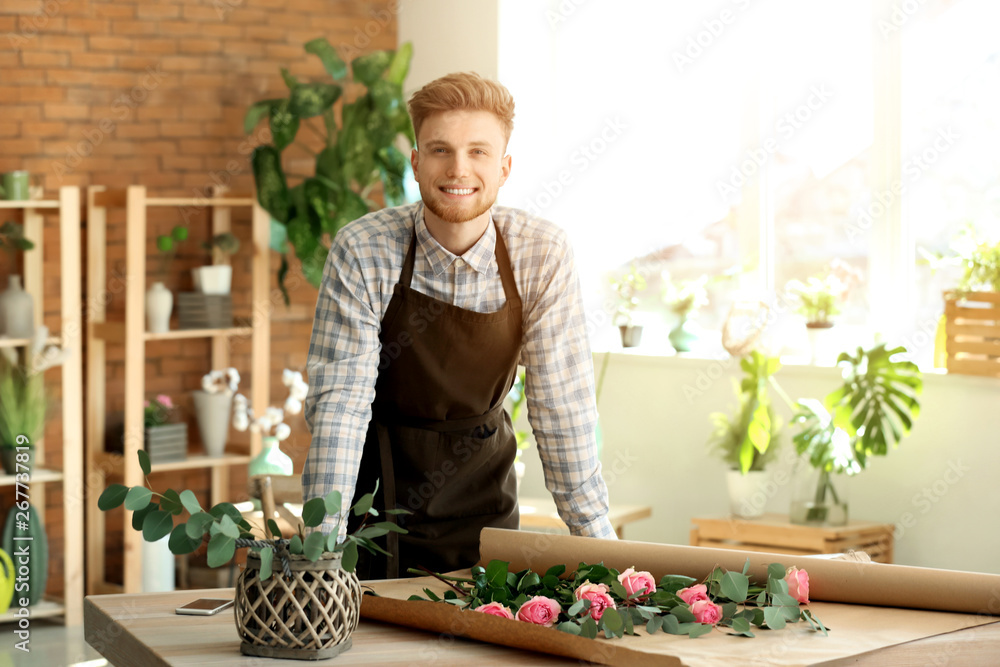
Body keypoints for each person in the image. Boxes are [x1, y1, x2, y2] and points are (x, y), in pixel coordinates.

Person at [303, 71, 615, 580]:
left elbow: (562, 406)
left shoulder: (540, 252)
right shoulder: (364, 249)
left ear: (505, 167)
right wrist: (320, 554)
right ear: (417, 162)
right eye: (440, 150)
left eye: (478, 152)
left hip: (485, 501)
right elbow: (340, 407)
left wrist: (606, 553)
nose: (458, 169)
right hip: (373, 508)